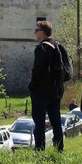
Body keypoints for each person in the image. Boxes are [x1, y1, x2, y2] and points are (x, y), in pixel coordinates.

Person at [28, 20, 65, 153]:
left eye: (36, 30)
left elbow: (37, 71)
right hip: (55, 91)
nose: (35, 33)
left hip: (41, 92)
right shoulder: (57, 46)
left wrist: (32, 87)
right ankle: (59, 149)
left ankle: (39, 149)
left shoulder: (41, 48)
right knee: (56, 122)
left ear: (42, 33)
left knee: (39, 123)